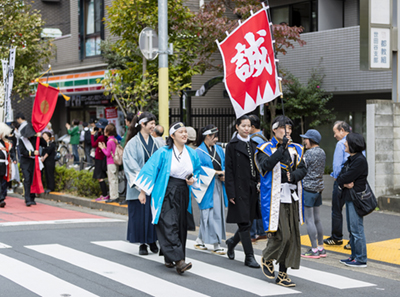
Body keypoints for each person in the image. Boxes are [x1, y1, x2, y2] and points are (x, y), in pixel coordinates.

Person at [134, 122, 201, 274]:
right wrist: (143, 191)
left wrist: (193, 179)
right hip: (166, 191)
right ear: (172, 136)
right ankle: (179, 261)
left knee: (180, 225)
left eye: (185, 131)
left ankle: (170, 256)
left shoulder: (192, 153)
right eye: (180, 132)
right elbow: (150, 170)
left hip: (183, 191)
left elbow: (197, 171)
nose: (184, 134)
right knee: (169, 224)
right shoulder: (163, 152)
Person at [255, 115, 307, 287]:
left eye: (290, 129)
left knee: (292, 237)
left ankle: (283, 273)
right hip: (274, 198)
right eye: (284, 128)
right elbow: (265, 166)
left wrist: (294, 176)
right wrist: (281, 149)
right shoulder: (263, 148)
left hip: (291, 196)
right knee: (282, 235)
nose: (288, 131)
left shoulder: (297, 149)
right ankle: (268, 257)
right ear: (274, 129)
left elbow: (303, 169)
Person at [225, 115, 261, 269]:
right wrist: (231, 192)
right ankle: (249, 256)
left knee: (249, 221)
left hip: (252, 188)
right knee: (244, 223)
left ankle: (232, 242)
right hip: (239, 189)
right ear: (237, 127)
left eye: (249, 126)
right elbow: (229, 170)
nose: (247, 128)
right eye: (243, 126)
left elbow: (258, 166)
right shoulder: (232, 145)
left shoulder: (254, 144)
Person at [123, 112, 161, 255]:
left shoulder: (158, 142)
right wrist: (143, 187)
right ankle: (142, 243)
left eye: (154, 123)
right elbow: (131, 167)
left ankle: (153, 240)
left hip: (155, 185)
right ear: (142, 124)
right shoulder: (132, 144)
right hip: (140, 187)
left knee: (153, 214)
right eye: (151, 123)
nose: (153, 126)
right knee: (140, 215)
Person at [193, 125, 228, 255]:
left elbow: (224, 164)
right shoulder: (198, 152)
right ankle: (216, 244)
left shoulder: (218, 149)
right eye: (214, 137)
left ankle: (200, 239)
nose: (216, 140)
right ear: (207, 136)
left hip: (218, 184)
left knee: (215, 213)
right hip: (206, 186)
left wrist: (224, 175)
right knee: (210, 214)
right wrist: (216, 172)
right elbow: (197, 170)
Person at [336, 133, 368, 268]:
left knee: (356, 229)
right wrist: (345, 181)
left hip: (356, 198)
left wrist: (344, 180)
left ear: (353, 144)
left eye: (347, 142)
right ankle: (354, 256)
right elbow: (340, 176)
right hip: (350, 196)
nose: (344, 144)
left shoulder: (360, 160)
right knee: (351, 228)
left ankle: (361, 259)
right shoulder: (352, 159)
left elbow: (344, 177)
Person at [324, 121, 351, 249]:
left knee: (336, 210)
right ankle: (353, 240)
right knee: (352, 211)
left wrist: (336, 178)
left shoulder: (341, 144)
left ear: (341, 130)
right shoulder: (357, 141)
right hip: (353, 182)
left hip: (341, 182)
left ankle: (336, 237)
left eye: (335, 132)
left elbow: (336, 166)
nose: (334, 135)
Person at [299, 129, 326, 259]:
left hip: (308, 189)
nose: (304, 141)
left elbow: (301, 168)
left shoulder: (308, 154)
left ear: (311, 140)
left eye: (306, 139)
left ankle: (314, 249)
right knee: (317, 219)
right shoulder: (322, 152)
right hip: (318, 189)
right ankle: (321, 247)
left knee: (309, 220)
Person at [15, 113, 46, 206]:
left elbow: (44, 144)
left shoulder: (35, 138)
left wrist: (40, 136)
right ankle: (27, 198)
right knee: (27, 179)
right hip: (25, 161)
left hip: (34, 161)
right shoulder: (22, 140)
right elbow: (22, 151)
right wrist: (32, 153)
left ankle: (32, 197)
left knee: (33, 179)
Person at [249, 114, 268, 243]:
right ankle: (262, 231)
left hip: (255, 176)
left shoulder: (254, 140)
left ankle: (251, 235)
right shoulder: (263, 137)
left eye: (247, 125)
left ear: (253, 126)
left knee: (252, 204)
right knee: (260, 204)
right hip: (263, 175)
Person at [98, 123, 119, 203]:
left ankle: (113, 197)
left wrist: (102, 148)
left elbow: (107, 154)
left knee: (111, 180)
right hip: (115, 162)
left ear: (108, 132)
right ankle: (116, 195)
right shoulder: (114, 139)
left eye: (105, 130)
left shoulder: (109, 141)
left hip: (110, 162)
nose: (104, 131)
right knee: (115, 179)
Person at [91, 118, 109, 201]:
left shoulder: (101, 137)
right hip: (102, 157)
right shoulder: (104, 136)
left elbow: (94, 144)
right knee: (101, 176)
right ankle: (105, 194)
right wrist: (98, 132)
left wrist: (92, 135)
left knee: (100, 177)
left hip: (99, 158)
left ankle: (105, 194)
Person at [0, 123, 13, 208]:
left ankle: (2, 197)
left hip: (3, 164)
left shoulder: (4, 142)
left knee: (2, 181)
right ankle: (1, 198)